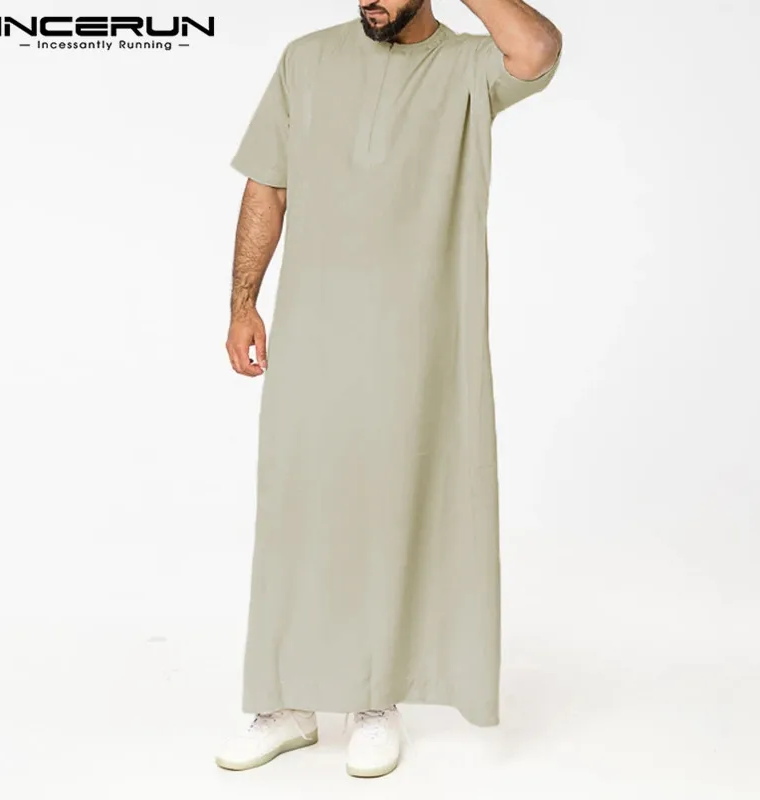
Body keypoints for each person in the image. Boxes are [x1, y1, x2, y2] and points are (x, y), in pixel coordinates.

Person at [217, 0, 562, 779]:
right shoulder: (307, 60)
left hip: (418, 343)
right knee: (297, 510)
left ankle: (374, 699)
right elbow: (268, 183)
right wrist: (243, 303)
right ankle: (285, 701)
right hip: (313, 335)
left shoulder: (468, 68)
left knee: (387, 512)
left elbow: (537, 49)